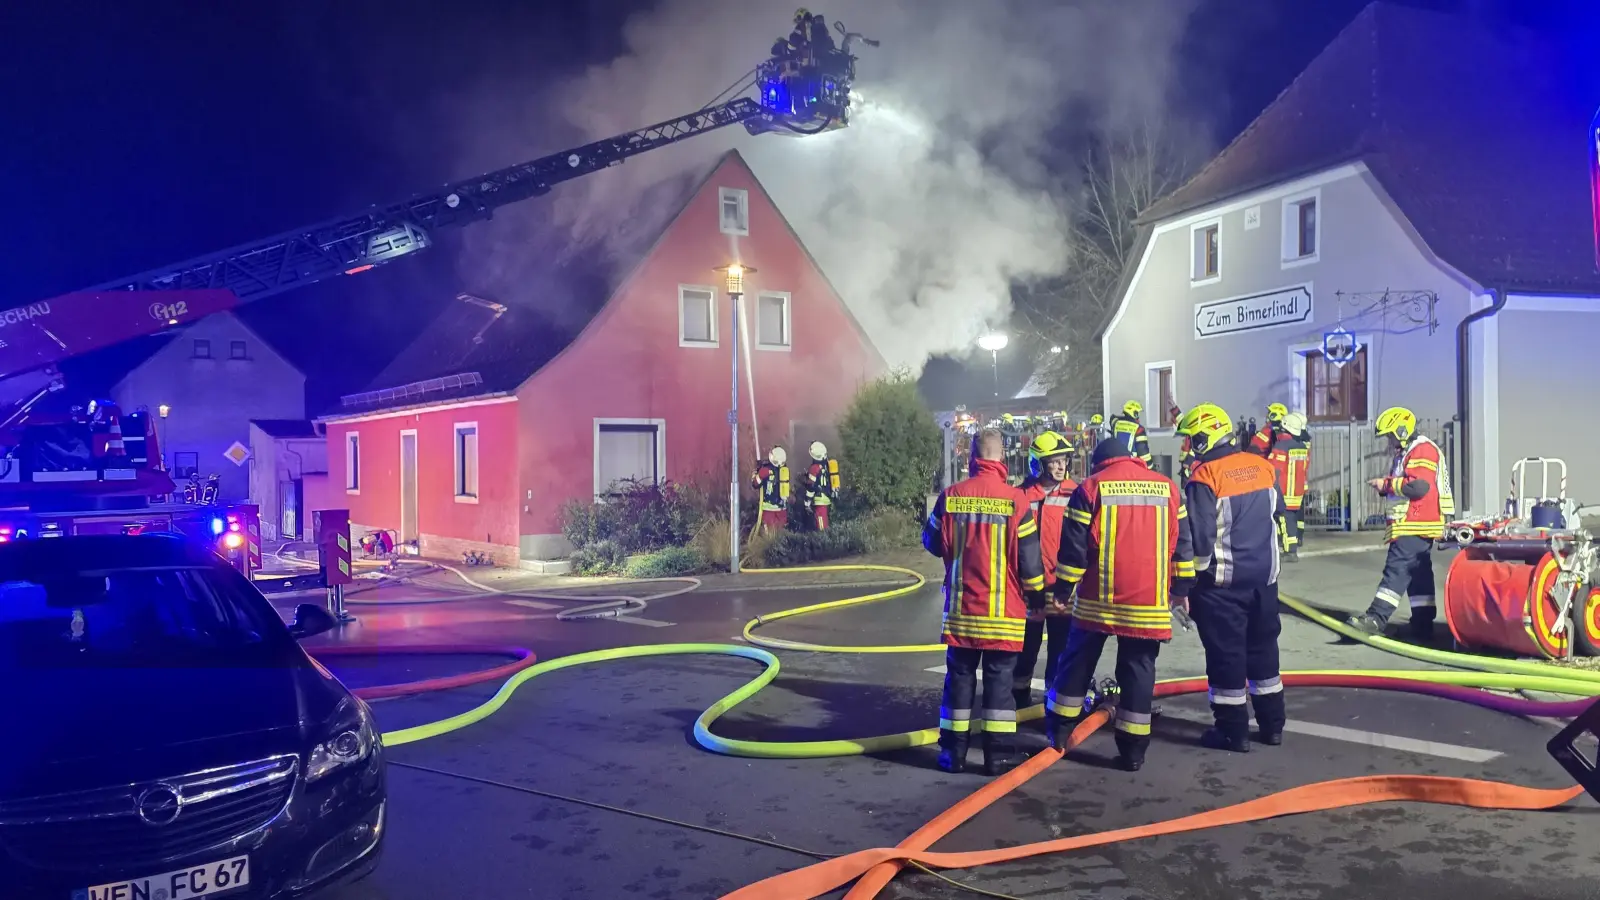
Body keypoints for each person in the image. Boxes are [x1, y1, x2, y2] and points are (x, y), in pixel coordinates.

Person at [1045, 438, 1192, 771]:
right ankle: (1133, 751)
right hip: (1148, 603)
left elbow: (1074, 548)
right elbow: (1184, 545)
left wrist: (1063, 588)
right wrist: (1181, 589)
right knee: (1139, 672)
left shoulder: (1091, 487)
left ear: (1100, 463)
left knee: (1076, 664)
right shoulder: (1168, 488)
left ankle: (1059, 733)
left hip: (1099, 600)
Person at [923, 429, 1046, 776]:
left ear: (971, 458)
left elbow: (931, 542)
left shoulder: (951, 497)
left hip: (961, 612)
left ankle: (952, 755)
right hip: (1003, 615)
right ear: (1002, 458)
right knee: (999, 687)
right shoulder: (1016, 502)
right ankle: (998, 758)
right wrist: (1037, 598)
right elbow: (1031, 563)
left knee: (958, 681)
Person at [1177, 403, 1289, 752]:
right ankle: (1272, 726)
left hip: (1222, 585)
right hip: (1265, 582)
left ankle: (1233, 731)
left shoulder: (1204, 477)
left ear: (1202, 438)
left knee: (1227, 657)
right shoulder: (1262, 466)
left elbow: (1201, 536)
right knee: (1264, 653)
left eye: (1191, 440)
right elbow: (1279, 514)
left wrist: (1188, 582)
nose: (1189, 447)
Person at [1348, 407, 1455, 640]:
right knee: (1418, 575)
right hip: (1418, 522)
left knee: (1396, 570)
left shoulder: (1421, 450)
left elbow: (1418, 487)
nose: (1389, 440)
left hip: (1414, 522)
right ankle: (1423, 625)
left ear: (1402, 430)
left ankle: (1376, 618)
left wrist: (1385, 484)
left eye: (1390, 435)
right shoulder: (1411, 450)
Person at [1012, 432, 1079, 710]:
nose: (1061, 467)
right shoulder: (1021, 496)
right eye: (1054, 462)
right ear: (1038, 464)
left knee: (1061, 649)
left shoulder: (1076, 494)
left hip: (1063, 587)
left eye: (1064, 461)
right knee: (1026, 648)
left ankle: (1054, 700)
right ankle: (1018, 698)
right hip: (1028, 588)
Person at [1269, 413, 1310, 560]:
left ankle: (1290, 552)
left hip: (1284, 491)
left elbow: (1274, 469)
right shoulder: (1301, 446)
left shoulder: (1281, 446)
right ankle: (1292, 547)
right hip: (1297, 491)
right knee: (1290, 520)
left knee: (1284, 520)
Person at [751, 447, 791, 535]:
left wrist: (755, 472)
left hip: (769, 509)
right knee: (781, 535)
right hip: (782, 508)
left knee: (769, 536)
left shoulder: (765, 470)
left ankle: (772, 548)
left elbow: (755, 484)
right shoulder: (784, 471)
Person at [802, 441, 838, 530]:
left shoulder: (814, 468)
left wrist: (807, 503)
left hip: (819, 499)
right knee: (825, 521)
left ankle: (823, 539)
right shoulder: (828, 464)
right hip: (828, 497)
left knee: (821, 524)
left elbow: (811, 487)